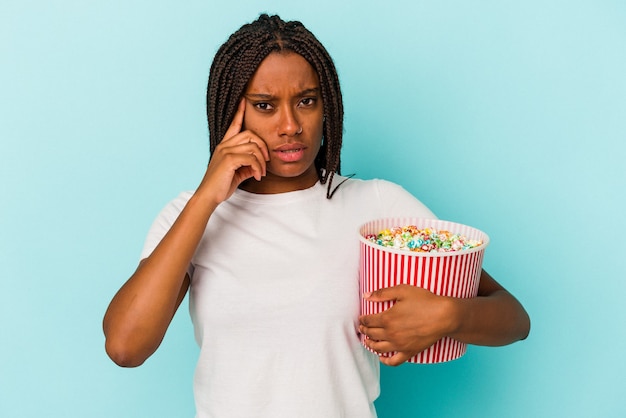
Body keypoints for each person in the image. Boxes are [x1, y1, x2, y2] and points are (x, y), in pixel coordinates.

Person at [103, 14, 530, 418]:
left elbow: (513, 318)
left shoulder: (377, 207)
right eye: (266, 105)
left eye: (306, 101)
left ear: (327, 106)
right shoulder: (191, 215)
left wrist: (450, 316)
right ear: (233, 112)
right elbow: (125, 346)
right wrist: (205, 200)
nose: (290, 125)